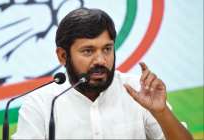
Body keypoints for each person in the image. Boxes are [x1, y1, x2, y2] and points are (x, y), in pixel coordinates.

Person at [12, 8, 193, 139]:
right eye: (88, 51)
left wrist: (161, 112)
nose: (101, 60)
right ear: (62, 55)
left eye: (107, 49)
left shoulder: (137, 90)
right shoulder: (41, 103)